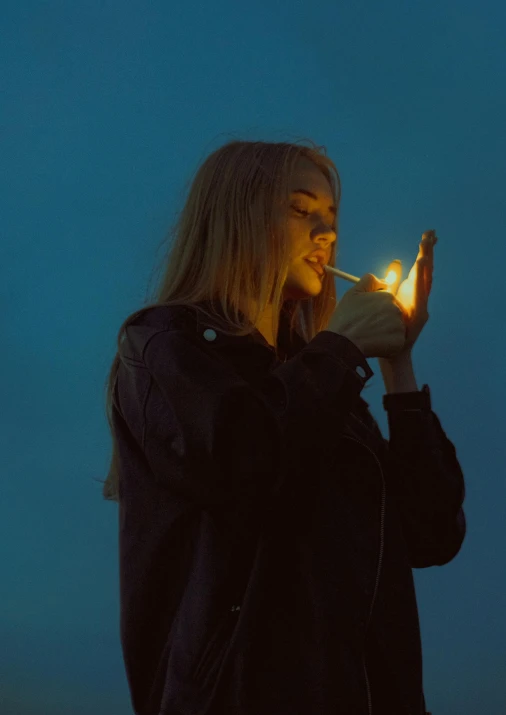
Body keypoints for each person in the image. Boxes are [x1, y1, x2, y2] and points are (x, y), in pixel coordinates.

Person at [101, 138, 466, 715]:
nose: (326, 233)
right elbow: (243, 461)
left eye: (331, 217)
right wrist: (340, 348)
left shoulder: (320, 382)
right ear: (236, 217)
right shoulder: (165, 345)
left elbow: (431, 535)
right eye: (301, 210)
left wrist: (398, 362)